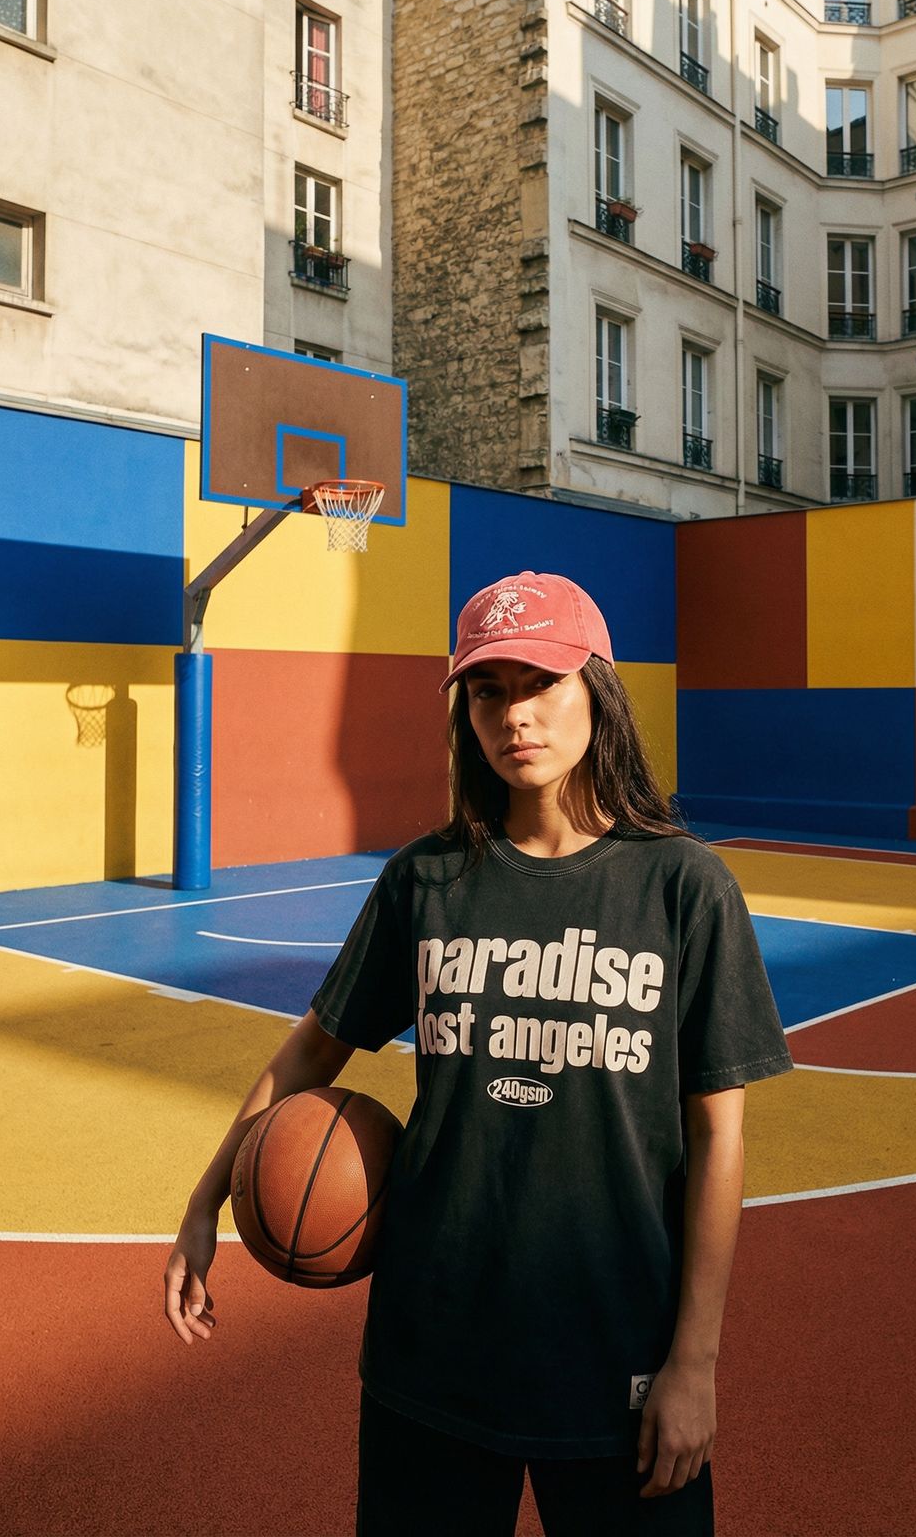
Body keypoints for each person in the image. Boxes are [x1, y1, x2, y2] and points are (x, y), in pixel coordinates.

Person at [164, 570, 793, 1535]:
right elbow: (307, 1056)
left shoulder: (683, 887)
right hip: (436, 1344)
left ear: (597, 689)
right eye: (487, 691)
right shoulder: (428, 879)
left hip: (614, 1346)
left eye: (538, 683)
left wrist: (692, 1364)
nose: (515, 717)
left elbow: (717, 1142)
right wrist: (206, 1199)